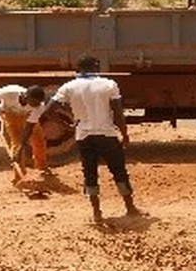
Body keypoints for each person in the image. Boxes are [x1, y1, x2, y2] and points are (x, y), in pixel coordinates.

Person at [44, 55, 142, 223]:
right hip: (107, 134)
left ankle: (97, 213)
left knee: (90, 173)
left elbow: (48, 111)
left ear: (78, 68)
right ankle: (130, 208)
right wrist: (124, 134)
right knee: (118, 171)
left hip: (84, 135)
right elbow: (118, 113)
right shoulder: (109, 84)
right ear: (96, 67)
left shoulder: (68, 87)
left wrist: (68, 126)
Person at [0, 84, 50, 184]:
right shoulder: (9, 92)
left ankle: (41, 167)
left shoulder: (39, 107)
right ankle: (19, 176)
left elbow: (29, 127)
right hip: (10, 115)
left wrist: (22, 146)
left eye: (38, 103)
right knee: (16, 143)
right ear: (26, 96)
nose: (36, 105)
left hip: (27, 117)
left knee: (38, 140)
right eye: (34, 102)